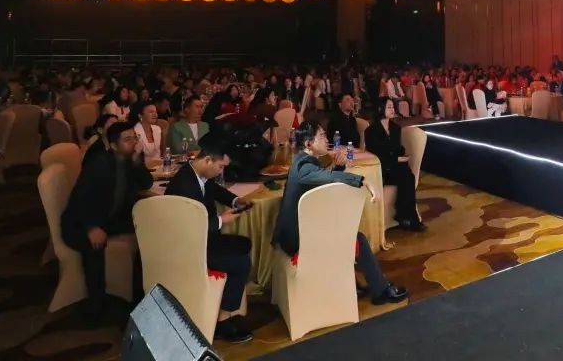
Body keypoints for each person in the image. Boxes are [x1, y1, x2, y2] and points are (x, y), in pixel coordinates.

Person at [274, 122, 407, 305]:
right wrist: (364, 180)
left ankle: (353, 284)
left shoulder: (302, 161)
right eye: (322, 136)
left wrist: (338, 166)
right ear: (308, 144)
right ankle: (381, 291)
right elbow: (327, 178)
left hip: (300, 232)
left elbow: (323, 180)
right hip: (298, 240)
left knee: (343, 230)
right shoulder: (303, 167)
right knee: (357, 238)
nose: (326, 139)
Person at [164, 133, 255, 343]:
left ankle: (227, 302)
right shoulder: (185, 185)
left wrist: (236, 201)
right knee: (241, 262)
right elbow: (190, 227)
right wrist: (221, 220)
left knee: (243, 244)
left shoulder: (197, 174)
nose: (221, 171)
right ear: (207, 160)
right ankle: (223, 321)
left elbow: (215, 190)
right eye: (220, 167)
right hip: (189, 246)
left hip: (202, 239)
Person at [60, 122, 152, 319]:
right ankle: (96, 305)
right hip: (80, 223)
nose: (134, 142)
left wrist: (137, 162)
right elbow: (79, 200)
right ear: (113, 145)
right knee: (94, 247)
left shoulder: (128, 160)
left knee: (148, 232)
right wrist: (91, 227)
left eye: (135, 137)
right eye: (127, 139)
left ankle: (140, 294)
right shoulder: (99, 164)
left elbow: (146, 183)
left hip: (109, 219)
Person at [364, 100, 424, 232]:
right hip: (381, 166)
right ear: (380, 109)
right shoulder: (370, 131)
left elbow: (398, 148)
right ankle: (408, 218)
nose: (392, 109)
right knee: (407, 175)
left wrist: (400, 156)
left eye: (393, 107)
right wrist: (395, 157)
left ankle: (406, 217)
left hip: (394, 165)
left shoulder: (396, 128)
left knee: (407, 175)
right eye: (389, 107)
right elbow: (375, 153)